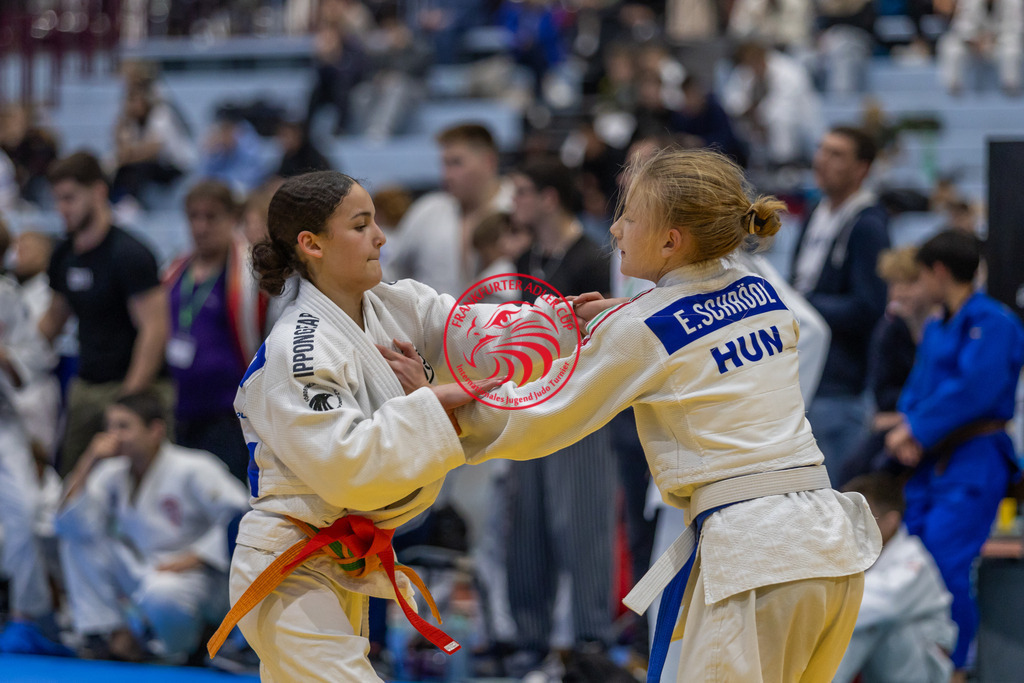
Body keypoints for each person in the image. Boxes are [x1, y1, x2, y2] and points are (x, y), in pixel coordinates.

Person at [446, 148, 881, 681]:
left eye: (628, 216)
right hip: (828, 546)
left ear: (671, 240)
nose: (615, 228)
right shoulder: (763, 291)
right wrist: (625, 319)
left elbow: (542, 416)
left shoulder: (642, 328)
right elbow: (698, 324)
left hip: (754, 557)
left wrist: (439, 412)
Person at [209, 170, 580, 681]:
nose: (381, 237)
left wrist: (562, 326)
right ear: (311, 244)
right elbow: (349, 465)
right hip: (287, 564)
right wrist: (437, 398)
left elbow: (476, 333)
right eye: (361, 226)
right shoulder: (298, 346)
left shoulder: (396, 304)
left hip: (344, 561)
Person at [885, 230, 1024, 681]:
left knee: (947, 563)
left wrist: (917, 429)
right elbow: (918, 388)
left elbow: (976, 390)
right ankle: (918, 663)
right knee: (912, 560)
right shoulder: (938, 325)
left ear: (938, 271)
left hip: (975, 457)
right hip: (928, 461)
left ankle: (955, 666)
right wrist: (908, 428)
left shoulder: (994, 322)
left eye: (921, 274)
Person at [55, 390, 250, 661]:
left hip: (199, 579)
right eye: (109, 427)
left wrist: (199, 557)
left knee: (163, 593)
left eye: (123, 426)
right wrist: (89, 460)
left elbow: (241, 516)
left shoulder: (194, 467)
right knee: (78, 540)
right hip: (147, 569)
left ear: (155, 430)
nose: (112, 436)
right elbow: (69, 525)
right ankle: (108, 633)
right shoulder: (113, 472)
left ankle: (181, 650)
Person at [39, 152, 171, 476]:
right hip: (86, 384)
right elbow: (53, 320)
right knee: (73, 479)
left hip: (132, 384)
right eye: (57, 200)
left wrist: (128, 402)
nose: (62, 209)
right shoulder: (63, 254)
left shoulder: (130, 254)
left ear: (98, 192)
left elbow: (154, 330)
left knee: (129, 486)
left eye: (69, 198)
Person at [790, 126, 890, 479]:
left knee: (837, 496)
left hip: (840, 385)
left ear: (862, 168)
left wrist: (802, 304)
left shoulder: (867, 225)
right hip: (806, 372)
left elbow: (869, 307)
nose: (822, 160)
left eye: (836, 154)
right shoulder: (815, 212)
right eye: (821, 150)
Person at [163, 181, 269, 482]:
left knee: (230, 504)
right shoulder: (174, 271)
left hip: (230, 416)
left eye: (211, 217)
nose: (201, 226)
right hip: (183, 411)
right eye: (194, 217)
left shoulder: (253, 274)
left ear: (232, 219)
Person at [833, 473, 957, 683]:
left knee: (869, 620)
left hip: (923, 669)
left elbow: (877, 604)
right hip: (880, 665)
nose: (849, 525)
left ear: (891, 521)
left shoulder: (913, 559)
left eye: (859, 517)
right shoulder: (853, 555)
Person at [389, 123, 513, 296]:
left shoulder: (517, 209)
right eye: (444, 164)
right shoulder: (427, 211)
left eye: (456, 163)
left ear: (489, 161)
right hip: (433, 322)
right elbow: (392, 273)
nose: (446, 175)